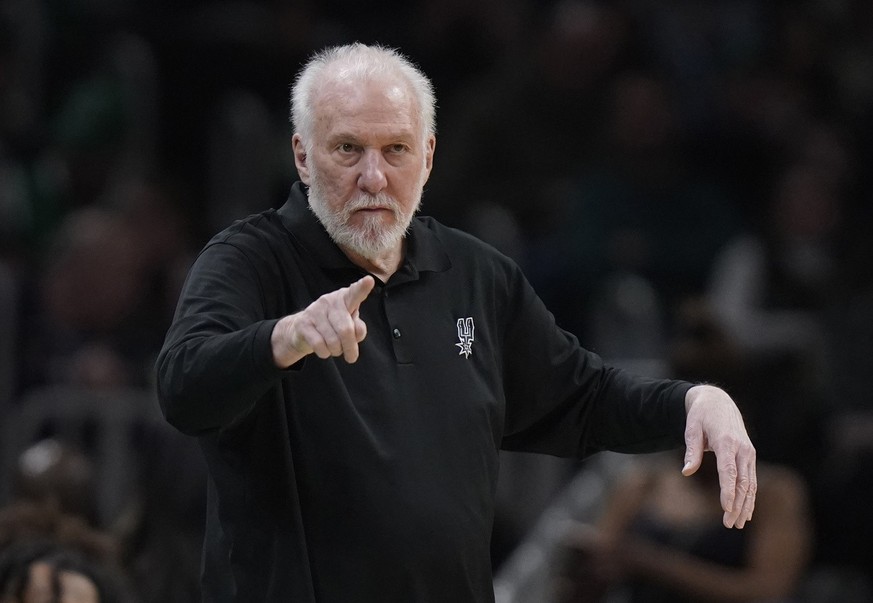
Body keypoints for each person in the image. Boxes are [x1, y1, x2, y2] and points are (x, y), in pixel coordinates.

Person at [155, 43, 756, 602]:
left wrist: (692, 403)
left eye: (396, 149)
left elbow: (584, 398)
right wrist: (282, 339)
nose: (374, 176)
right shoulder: (248, 260)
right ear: (302, 156)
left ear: (429, 157)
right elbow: (183, 387)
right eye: (347, 149)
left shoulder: (475, 274)